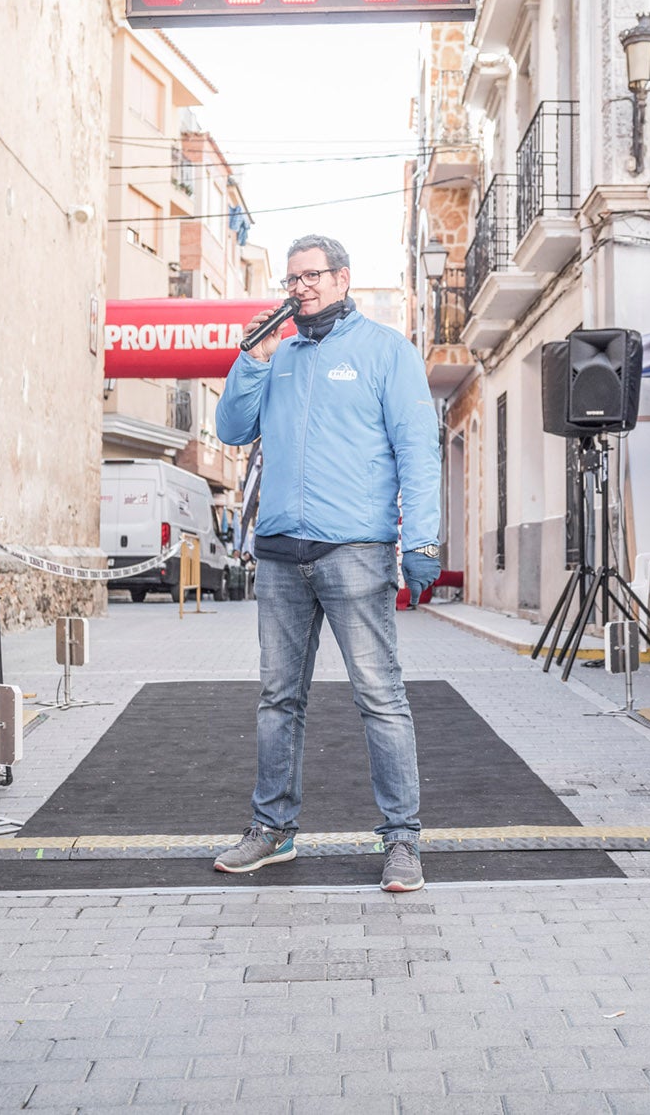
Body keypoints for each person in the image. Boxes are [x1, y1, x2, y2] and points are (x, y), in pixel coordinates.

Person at [210, 235, 442, 893]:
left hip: (355, 552)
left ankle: (403, 841)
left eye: (312, 275)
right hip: (282, 555)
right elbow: (230, 428)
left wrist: (422, 542)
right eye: (292, 278)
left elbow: (418, 452)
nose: (300, 287)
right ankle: (272, 829)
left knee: (380, 696)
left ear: (343, 278)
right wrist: (249, 360)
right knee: (278, 699)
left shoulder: (386, 352)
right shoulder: (277, 356)